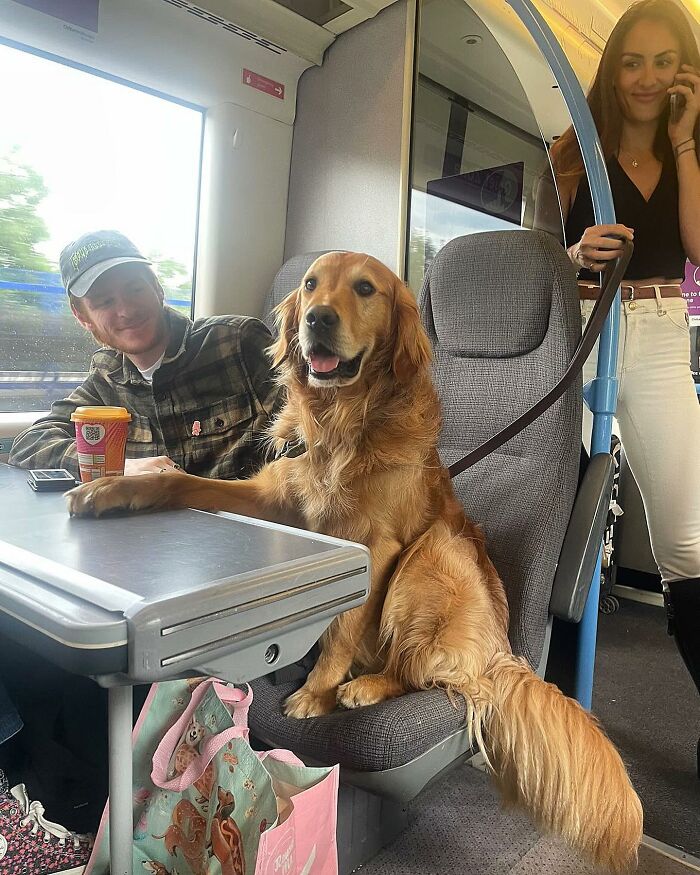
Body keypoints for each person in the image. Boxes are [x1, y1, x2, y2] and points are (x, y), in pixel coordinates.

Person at [540, 0, 700, 768]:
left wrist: (686, 143)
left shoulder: (690, 152)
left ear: (686, 69)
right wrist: (574, 255)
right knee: (553, 510)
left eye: (663, 61)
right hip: (583, 328)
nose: (645, 77)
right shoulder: (572, 150)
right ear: (611, 69)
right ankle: (541, 701)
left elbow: (699, 247)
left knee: (690, 539)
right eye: (631, 61)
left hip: (663, 331)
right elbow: (540, 256)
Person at [9, 229, 280, 480]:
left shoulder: (237, 343)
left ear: (157, 288)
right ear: (82, 316)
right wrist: (119, 469)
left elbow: (312, 431)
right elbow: (30, 443)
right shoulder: (107, 379)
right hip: (145, 530)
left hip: (247, 521)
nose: (126, 310)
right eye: (104, 301)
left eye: (135, 289)